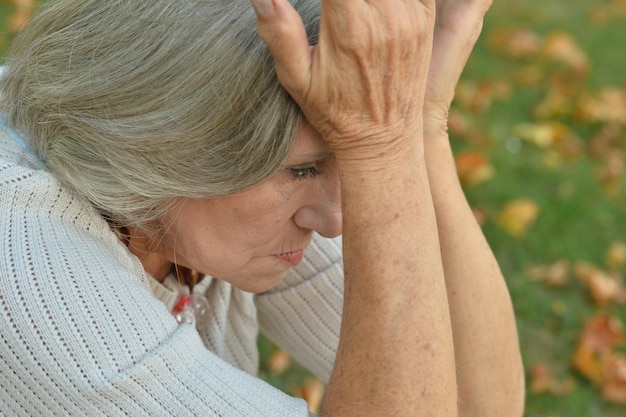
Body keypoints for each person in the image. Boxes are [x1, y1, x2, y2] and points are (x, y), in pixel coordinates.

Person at [0, 0, 525, 415]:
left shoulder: (194, 209)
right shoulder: (28, 268)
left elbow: (478, 405)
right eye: (303, 170)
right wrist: (378, 145)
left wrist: (419, 126)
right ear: (153, 135)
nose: (335, 223)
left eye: (347, 165)